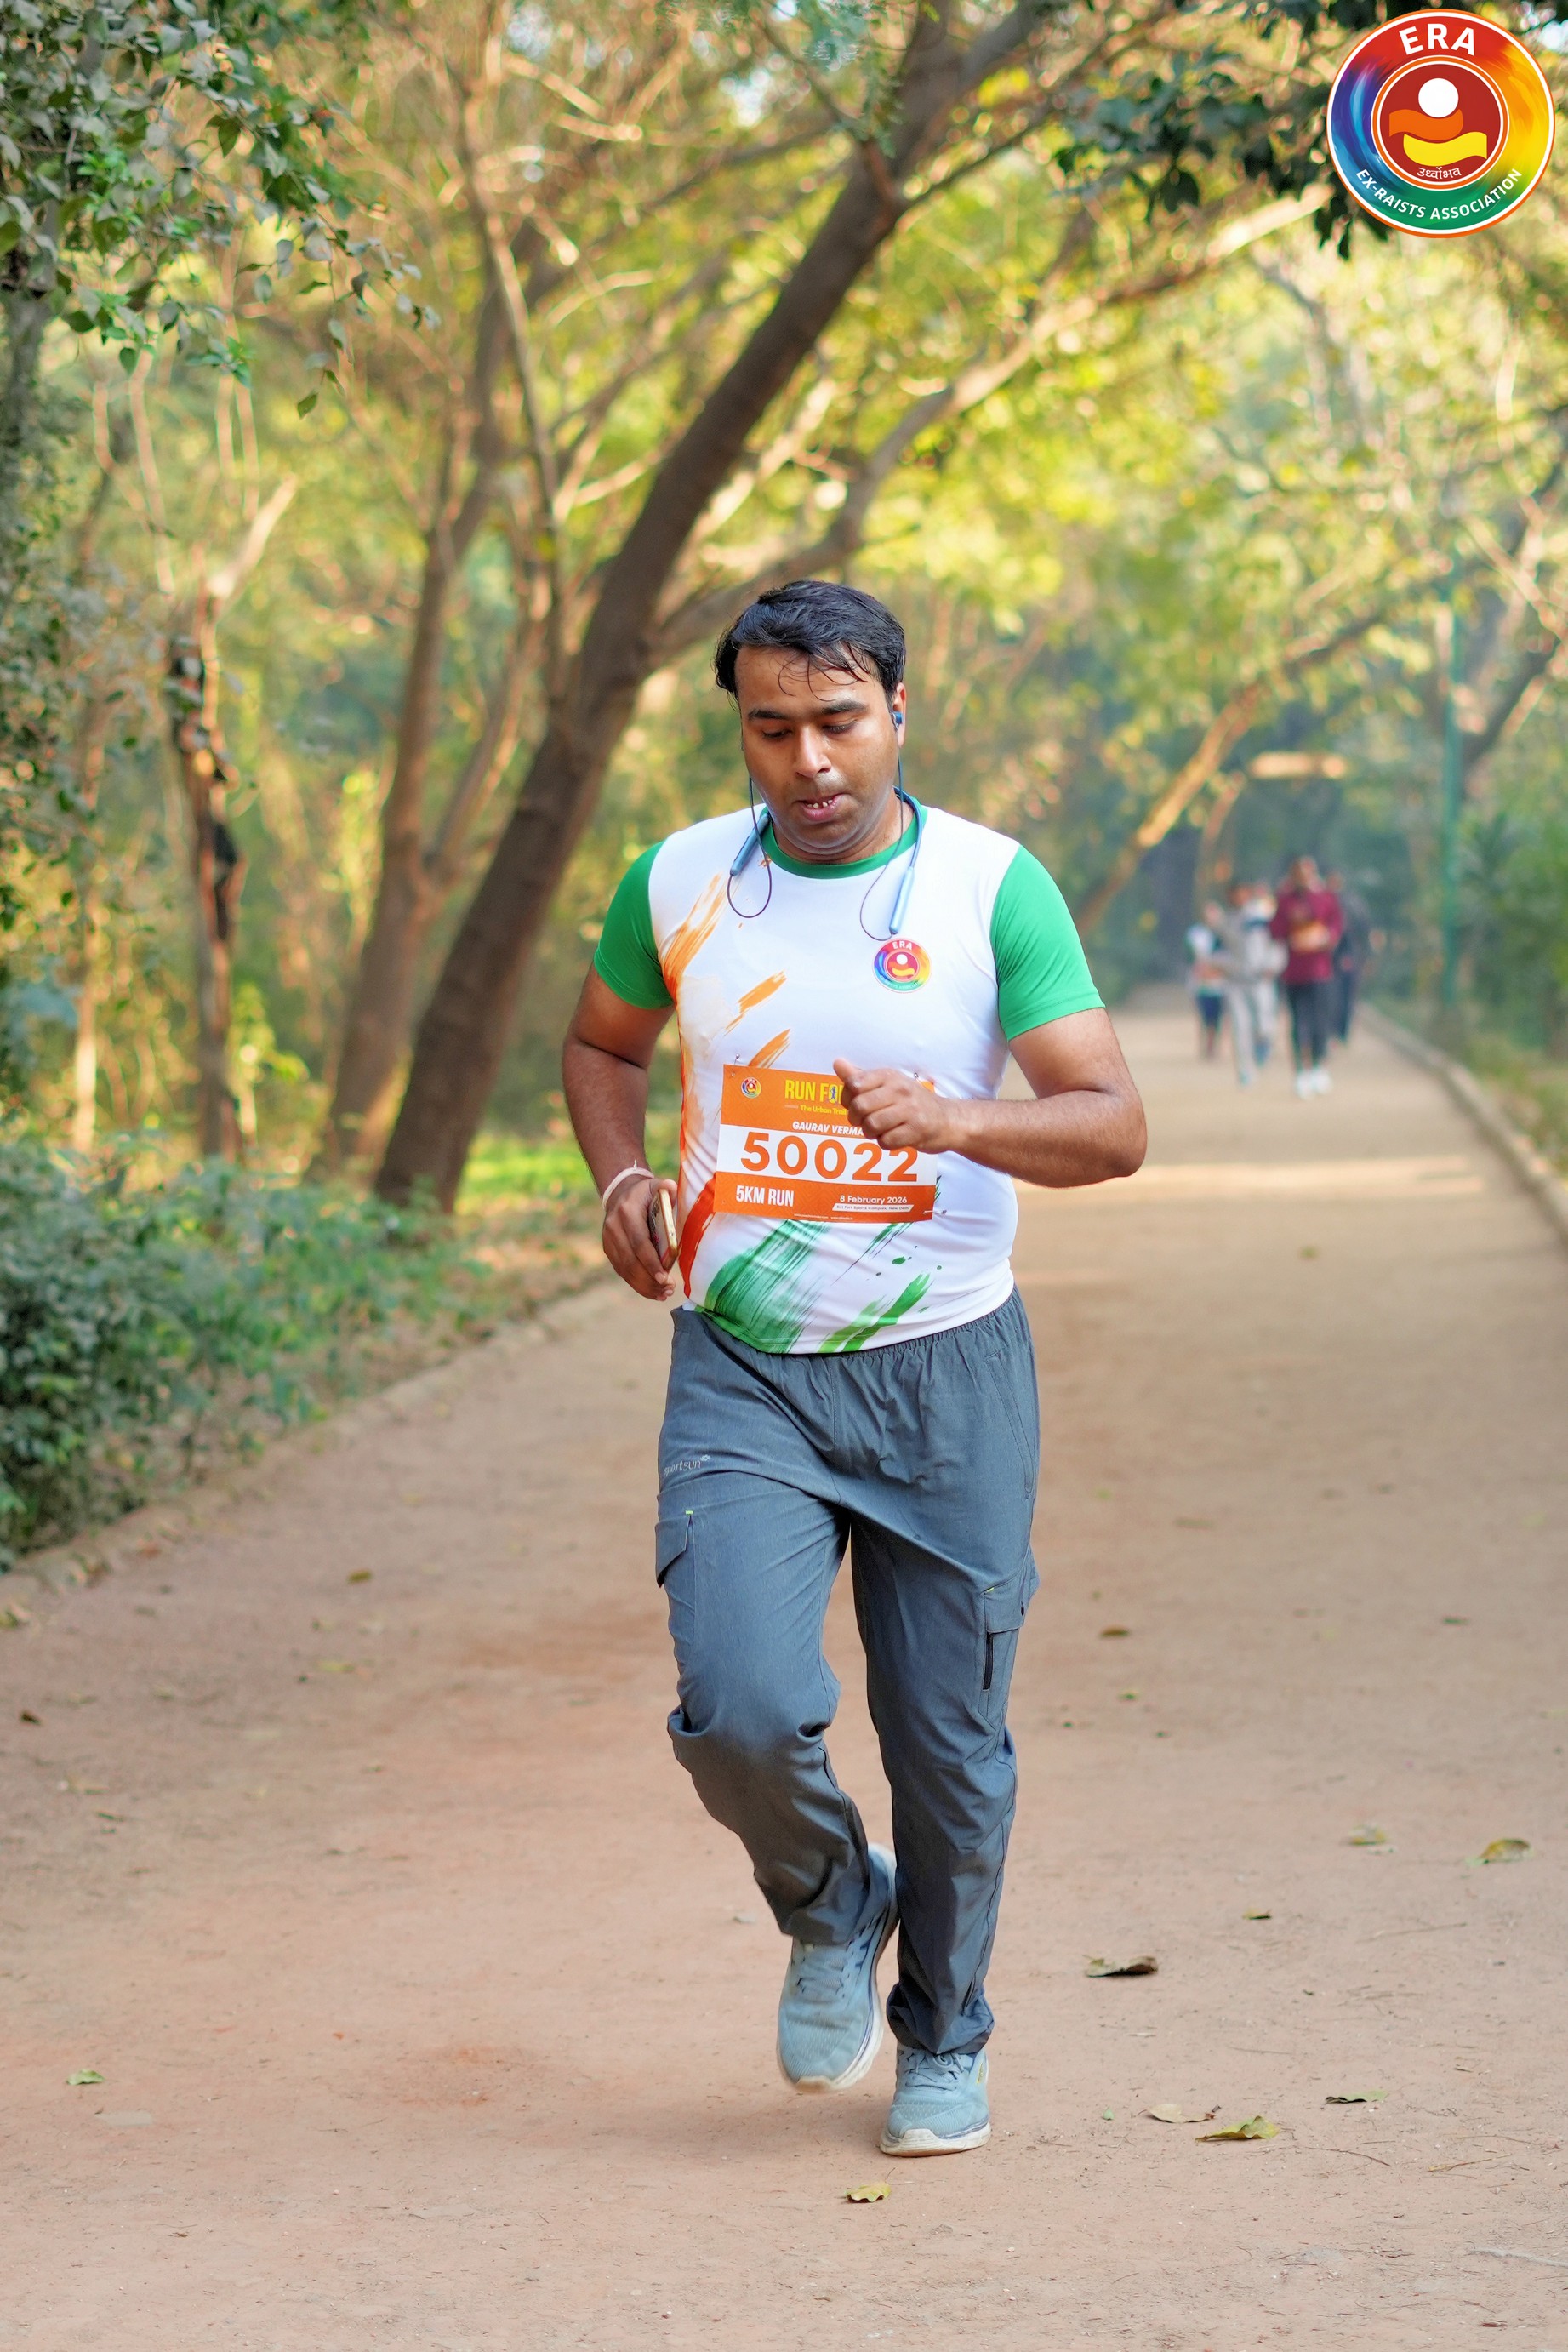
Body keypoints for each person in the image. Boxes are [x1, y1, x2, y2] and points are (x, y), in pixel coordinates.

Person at [563, 580, 1145, 2160]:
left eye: (836, 721)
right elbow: (602, 1044)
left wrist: (959, 1119)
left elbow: (1110, 1123)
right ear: (740, 731)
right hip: (743, 1366)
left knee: (946, 1745)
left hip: (946, 1371)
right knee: (737, 1706)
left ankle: (944, 2032)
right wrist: (622, 1176)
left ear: (896, 711)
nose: (807, 760)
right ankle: (833, 1900)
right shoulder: (679, 878)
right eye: (771, 729)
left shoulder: (987, 888)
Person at [1270, 855, 1343, 1097]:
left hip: (1319, 971)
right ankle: (1301, 1070)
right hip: (1294, 973)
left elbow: (1335, 925)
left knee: (1319, 1022)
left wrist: (1324, 937)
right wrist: (1292, 934)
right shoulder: (1285, 900)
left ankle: (1319, 1066)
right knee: (1298, 1023)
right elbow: (1275, 930)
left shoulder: (1325, 898)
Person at [1213, 881, 1285, 1087]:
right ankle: (1245, 1071)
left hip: (1261, 979)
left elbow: (1277, 943)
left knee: (1264, 1023)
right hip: (1236, 981)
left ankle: (1264, 1045)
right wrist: (1221, 965)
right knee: (1240, 1027)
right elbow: (1216, 951)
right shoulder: (1224, 922)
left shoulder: (1262, 918)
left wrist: (1273, 965)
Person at [1326, 871, 1372, 1045]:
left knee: (1345, 996)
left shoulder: (1350, 904)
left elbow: (1362, 932)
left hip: (1347, 955)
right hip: (1330, 958)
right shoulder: (1325, 901)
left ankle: (1340, 1032)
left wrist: (1361, 956)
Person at [1184, 907, 1227, 1060]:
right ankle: (1207, 1044)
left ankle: (1214, 1045)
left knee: (1218, 1017)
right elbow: (1190, 957)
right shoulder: (1195, 935)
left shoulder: (1224, 935)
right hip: (1201, 983)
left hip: (1220, 983)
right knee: (1205, 1016)